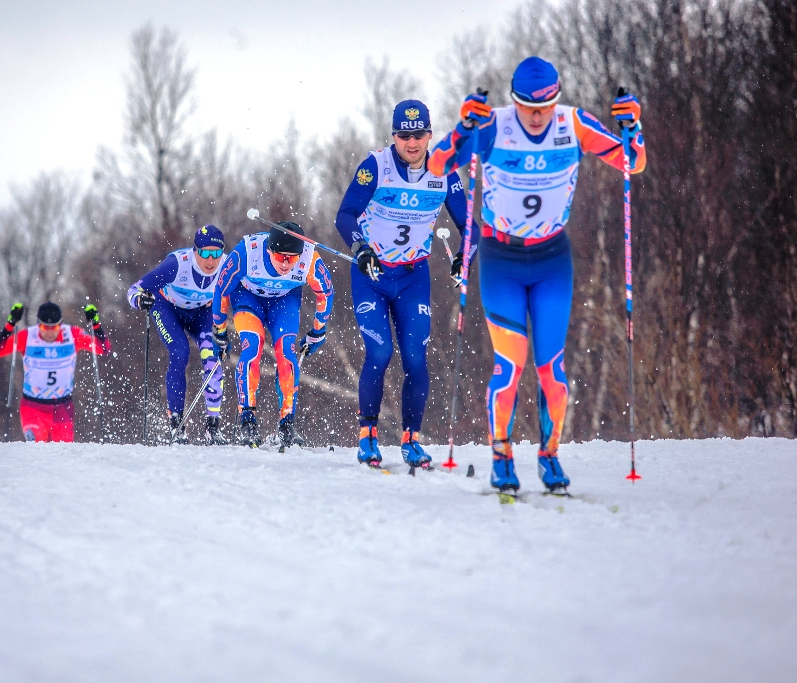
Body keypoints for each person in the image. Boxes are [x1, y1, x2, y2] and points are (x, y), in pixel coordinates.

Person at [428, 56, 646, 493]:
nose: (537, 116)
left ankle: (549, 456)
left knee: (552, 369)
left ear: (556, 101)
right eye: (528, 107)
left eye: (544, 107)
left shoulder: (574, 124)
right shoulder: (493, 126)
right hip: (501, 258)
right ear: (515, 102)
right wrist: (463, 129)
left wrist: (632, 128)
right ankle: (502, 456)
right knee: (510, 365)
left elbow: (631, 163)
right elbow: (437, 166)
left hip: (551, 259)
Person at [335, 99, 479, 471]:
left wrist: (465, 256)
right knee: (380, 354)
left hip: (414, 277)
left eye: (418, 135)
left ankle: (411, 439)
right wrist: (360, 246)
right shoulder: (376, 167)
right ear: (393, 136)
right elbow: (345, 214)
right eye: (404, 136)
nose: (411, 143)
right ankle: (367, 435)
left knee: (416, 358)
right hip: (373, 274)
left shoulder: (445, 171)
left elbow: (471, 227)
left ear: (430, 135)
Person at [211, 223, 333, 447]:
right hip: (248, 298)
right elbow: (221, 288)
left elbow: (325, 292)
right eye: (280, 256)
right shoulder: (247, 252)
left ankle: (287, 424)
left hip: (284, 301)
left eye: (292, 258)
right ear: (269, 250)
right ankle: (248, 421)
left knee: (287, 355)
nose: (286, 263)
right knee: (253, 347)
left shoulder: (310, 257)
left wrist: (318, 331)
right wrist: (219, 330)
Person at [127, 225, 228, 444]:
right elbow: (134, 289)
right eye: (205, 253)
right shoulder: (177, 264)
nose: (211, 261)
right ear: (195, 251)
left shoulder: (227, 266)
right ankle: (176, 425)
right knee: (180, 353)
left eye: (216, 254)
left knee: (213, 360)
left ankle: (213, 427)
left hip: (201, 313)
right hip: (168, 309)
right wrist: (139, 299)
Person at [0, 301, 110, 442]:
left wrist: (95, 324)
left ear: (61, 324)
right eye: (44, 327)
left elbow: (103, 348)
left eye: (55, 327)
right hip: (33, 408)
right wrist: (10, 323)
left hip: (62, 408)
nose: (49, 332)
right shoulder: (28, 336)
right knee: (36, 450)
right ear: (38, 324)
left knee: (62, 455)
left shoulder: (72, 334)